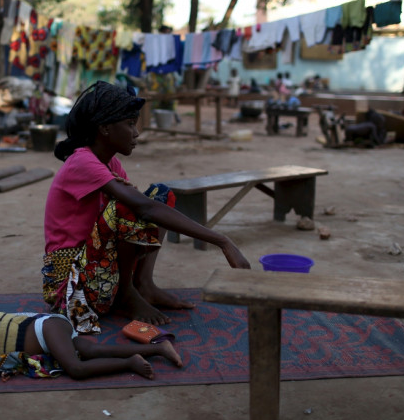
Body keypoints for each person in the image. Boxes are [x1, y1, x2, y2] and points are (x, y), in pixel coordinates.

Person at [42, 81, 251, 334]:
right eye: (130, 124)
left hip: (96, 276)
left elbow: (150, 209)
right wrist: (223, 241)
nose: (136, 133)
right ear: (105, 128)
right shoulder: (83, 161)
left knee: (160, 195)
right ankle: (125, 294)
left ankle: (143, 284)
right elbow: (143, 209)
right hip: (71, 288)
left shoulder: (110, 164)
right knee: (133, 206)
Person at [0, 298, 183, 380]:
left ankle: (131, 363)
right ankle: (157, 350)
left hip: (43, 329)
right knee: (92, 351)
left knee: (76, 369)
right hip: (50, 333)